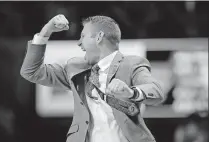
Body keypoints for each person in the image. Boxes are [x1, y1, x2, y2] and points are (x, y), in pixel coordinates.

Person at [20, 14, 164, 142]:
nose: (79, 42)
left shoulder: (131, 64)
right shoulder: (75, 69)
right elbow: (31, 72)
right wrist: (46, 31)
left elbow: (156, 91)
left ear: (99, 37)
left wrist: (131, 92)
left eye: (83, 36)